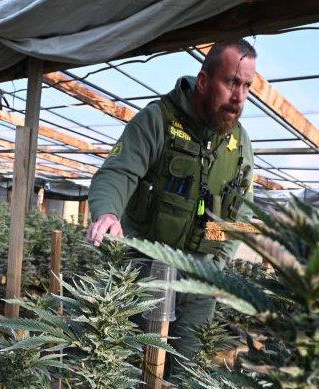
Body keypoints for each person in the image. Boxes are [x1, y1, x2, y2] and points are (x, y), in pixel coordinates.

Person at [86, 40, 256, 365]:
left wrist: (217, 262)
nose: (239, 97)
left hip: (200, 277)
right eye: (232, 82)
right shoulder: (158, 119)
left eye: (247, 86)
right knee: (133, 363)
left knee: (187, 366)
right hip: (146, 266)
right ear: (204, 81)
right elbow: (118, 172)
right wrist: (107, 211)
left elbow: (242, 211)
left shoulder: (240, 142)